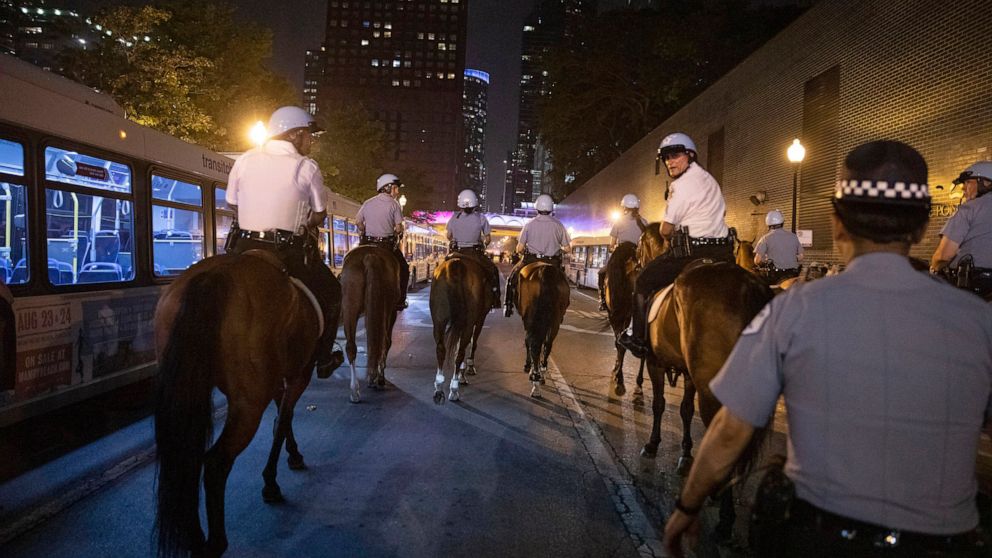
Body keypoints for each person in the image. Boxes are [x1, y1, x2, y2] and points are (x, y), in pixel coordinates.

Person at [663, 140, 992, 558]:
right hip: (945, 542)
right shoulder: (979, 320)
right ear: (923, 227)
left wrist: (687, 507)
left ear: (838, 223)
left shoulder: (793, 309)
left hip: (818, 537)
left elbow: (730, 429)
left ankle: (638, 330)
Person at [225, 105, 343, 378]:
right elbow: (319, 214)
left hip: (243, 247)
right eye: (309, 135)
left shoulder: (244, 159)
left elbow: (232, 202)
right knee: (332, 291)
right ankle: (323, 358)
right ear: (294, 134)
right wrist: (304, 221)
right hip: (285, 251)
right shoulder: (306, 167)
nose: (311, 141)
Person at [618, 132, 734, 358]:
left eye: (675, 156)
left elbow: (665, 229)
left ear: (690, 155)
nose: (670, 161)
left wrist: (670, 239)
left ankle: (638, 339)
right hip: (723, 253)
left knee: (642, 281)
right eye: (666, 158)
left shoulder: (680, 185)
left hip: (691, 254)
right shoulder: (710, 180)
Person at [930, 161, 992, 299]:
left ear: (986, 183)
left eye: (968, 182)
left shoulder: (969, 209)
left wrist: (933, 268)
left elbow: (944, 255)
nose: (963, 189)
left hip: (974, 290)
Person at [503, 194, 571, 317]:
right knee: (564, 283)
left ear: (537, 208)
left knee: (512, 278)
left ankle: (508, 305)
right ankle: (563, 308)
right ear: (551, 209)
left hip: (531, 260)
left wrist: (522, 251)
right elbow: (567, 248)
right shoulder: (559, 225)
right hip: (552, 262)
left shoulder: (529, 224)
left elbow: (520, 248)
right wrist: (558, 250)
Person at [356, 173, 410, 310]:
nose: (397, 192)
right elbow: (398, 227)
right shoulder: (394, 204)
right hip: (385, 245)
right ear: (388, 188)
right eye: (396, 188)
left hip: (366, 243)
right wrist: (398, 231)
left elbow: (358, 222)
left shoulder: (367, 203)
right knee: (404, 268)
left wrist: (364, 229)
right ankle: (401, 300)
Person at [446, 189, 502, 309]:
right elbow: (488, 239)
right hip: (474, 253)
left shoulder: (454, 217)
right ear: (474, 204)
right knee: (493, 270)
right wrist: (483, 243)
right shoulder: (481, 218)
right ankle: (495, 298)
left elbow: (448, 236)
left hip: (456, 253)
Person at [597, 194, 647, 311]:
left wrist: (612, 248)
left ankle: (603, 301)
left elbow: (611, 245)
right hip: (638, 254)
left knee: (602, 273)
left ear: (624, 207)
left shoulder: (619, 221)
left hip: (621, 252)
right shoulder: (644, 222)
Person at [753, 209, 804, 284]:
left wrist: (765, 261)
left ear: (768, 224)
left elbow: (757, 260)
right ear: (782, 222)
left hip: (776, 277)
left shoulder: (765, 238)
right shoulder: (793, 236)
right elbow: (801, 256)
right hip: (793, 275)